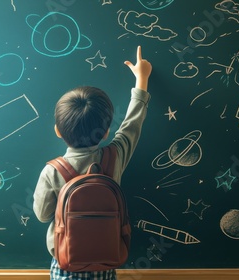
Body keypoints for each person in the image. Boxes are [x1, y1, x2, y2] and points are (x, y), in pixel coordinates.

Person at [33, 46, 152, 280]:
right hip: (105, 262)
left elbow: (43, 215)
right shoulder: (114, 156)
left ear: (58, 131)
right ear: (106, 131)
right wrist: (142, 78)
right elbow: (132, 124)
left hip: (65, 264)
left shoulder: (52, 171)